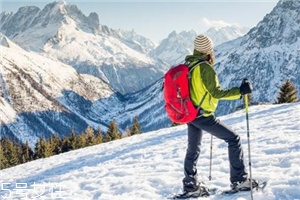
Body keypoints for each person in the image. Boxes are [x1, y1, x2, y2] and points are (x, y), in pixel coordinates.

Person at [182, 34, 257, 196]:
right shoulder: (205, 68)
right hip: (203, 115)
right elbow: (216, 93)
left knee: (193, 149)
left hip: (191, 113)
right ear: (208, 50)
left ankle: (190, 186)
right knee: (233, 138)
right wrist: (240, 91)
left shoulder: (190, 65)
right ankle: (239, 180)